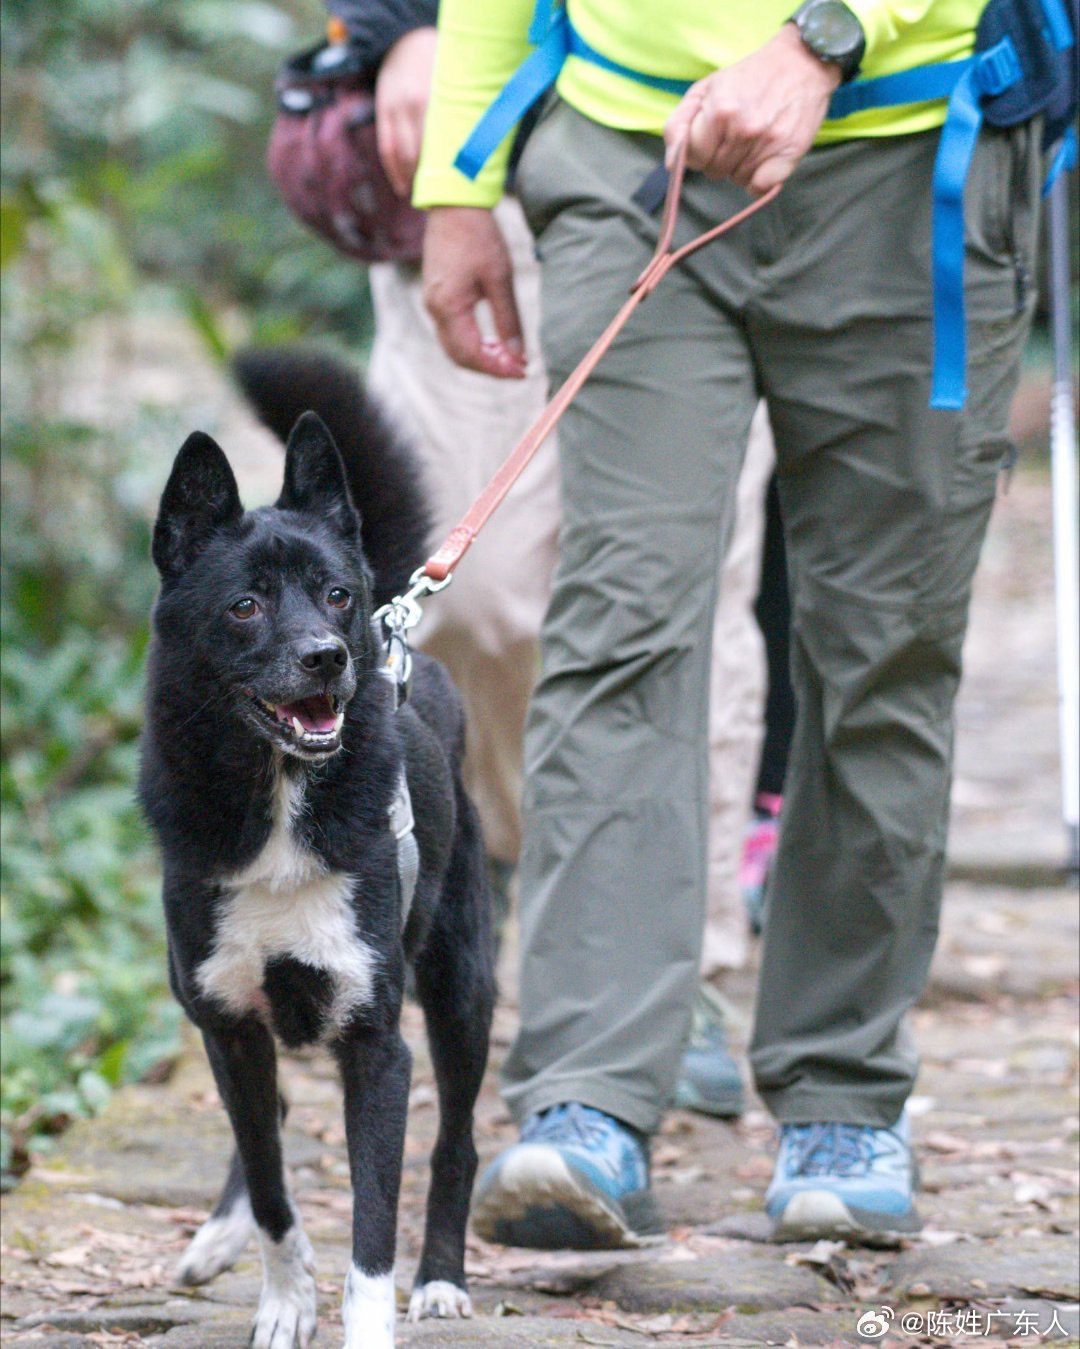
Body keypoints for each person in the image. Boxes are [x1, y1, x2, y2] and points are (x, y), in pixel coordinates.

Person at [414, 0, 1041, 1246]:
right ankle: (587, 1093)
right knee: (620, 619)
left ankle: (842, 1088)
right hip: (629, 143)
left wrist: (829, 35)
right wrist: (456, 179)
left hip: (911, 152)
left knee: (883, 645)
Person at [325, 0, 787, 1117]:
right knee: (463, 595)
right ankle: (552, 906)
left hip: (721, 147)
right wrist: (396, 33)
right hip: (498, 134)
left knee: (683, 591)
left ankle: (674, 967)